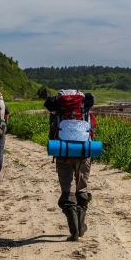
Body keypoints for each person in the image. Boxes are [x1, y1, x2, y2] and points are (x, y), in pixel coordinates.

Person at [44, 90, 96, 241]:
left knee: (67, 190)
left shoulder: (57, 113)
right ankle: (80, 227)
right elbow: (92, 131)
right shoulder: (85, 111)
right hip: (84, 153)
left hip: (63, 154)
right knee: (82, 189)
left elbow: (51, 133)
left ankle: (74, 230)